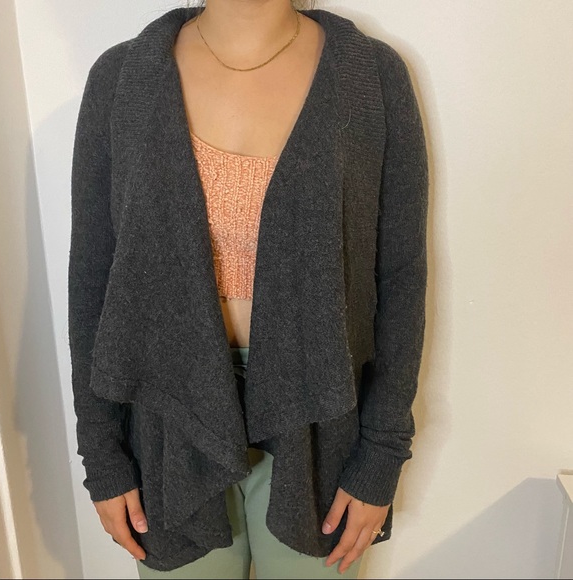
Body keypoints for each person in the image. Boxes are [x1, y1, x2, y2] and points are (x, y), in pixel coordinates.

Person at [68, 0, 429, 578]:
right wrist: (103, 454)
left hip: (322, 423)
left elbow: (401, 277)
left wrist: (381, 454)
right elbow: (92, 278)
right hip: (166, 422)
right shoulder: (122, 79)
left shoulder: (371, 77)